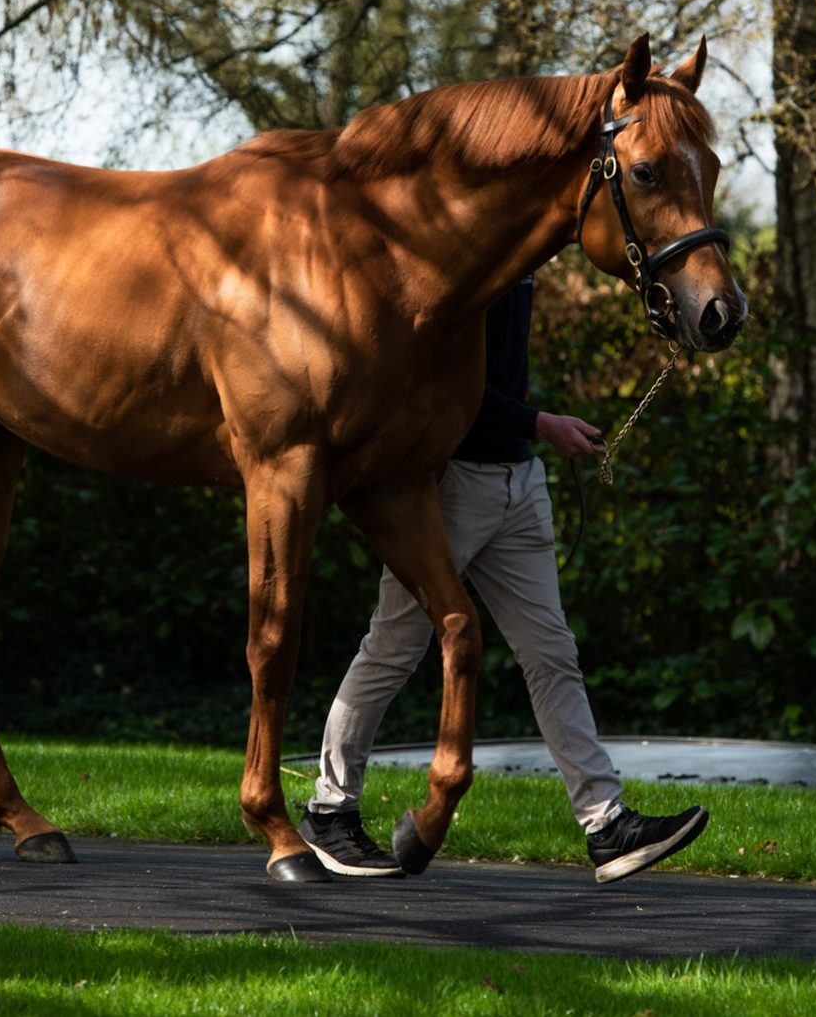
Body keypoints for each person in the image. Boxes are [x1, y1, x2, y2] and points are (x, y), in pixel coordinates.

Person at [300, 273, 709, 882]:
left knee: (551, 654)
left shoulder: (521, 265)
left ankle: (605, 824)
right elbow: (442, 386)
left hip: (520, 482)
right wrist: (541, 421)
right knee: (393, 648)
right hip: (452, 490)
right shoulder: (464, 269)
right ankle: (329, 811)